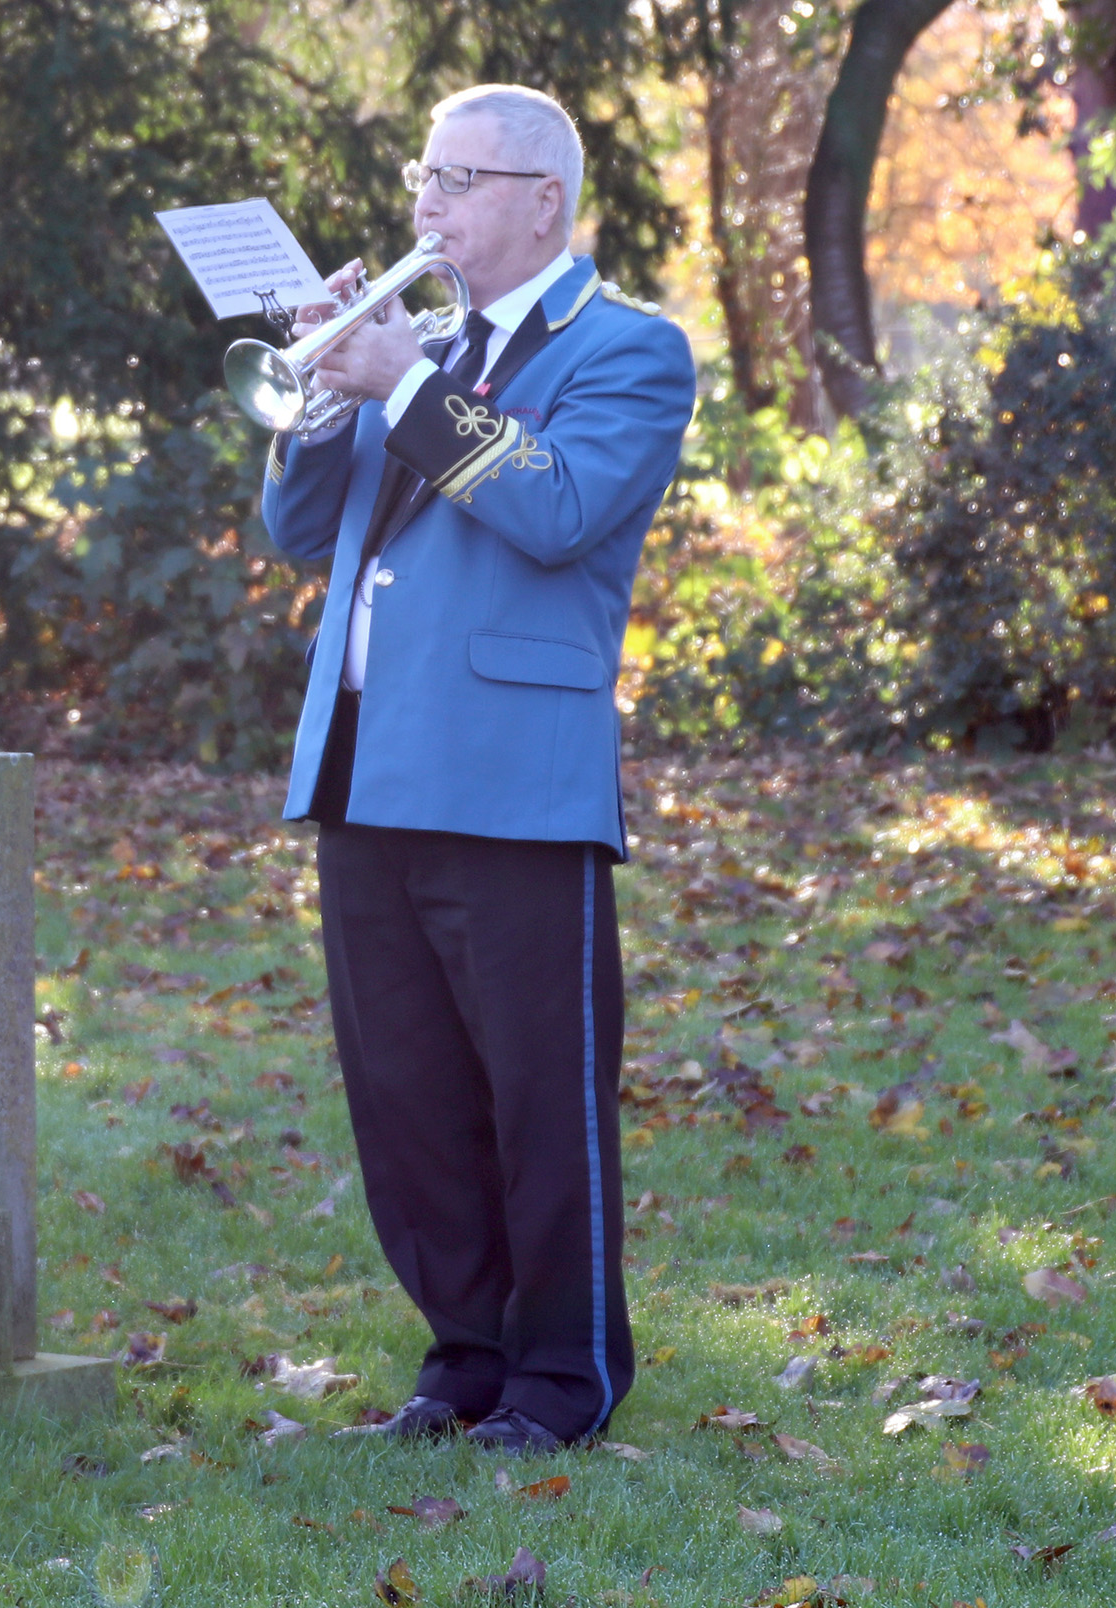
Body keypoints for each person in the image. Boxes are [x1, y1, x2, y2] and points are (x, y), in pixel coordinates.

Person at [260, 86, 695, 1453]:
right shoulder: (424, 346)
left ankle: (562, 1376)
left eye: (456, 178)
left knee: (534, 1089)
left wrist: (401, 383)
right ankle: (463, 1353)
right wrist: (331, 401)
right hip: (364, 764)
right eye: (420, 174)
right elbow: (298, 530)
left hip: (513, 775)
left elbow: (556, 508)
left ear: (541, 202)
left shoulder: (627, 348)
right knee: (406, 1092)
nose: (424, 205)